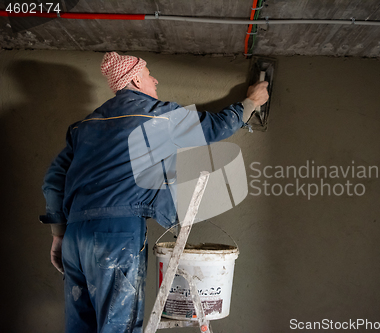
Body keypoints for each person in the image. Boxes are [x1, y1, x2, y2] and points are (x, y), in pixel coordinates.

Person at [40, 52, 269, 333]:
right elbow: (215, 127)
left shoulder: (83, 126)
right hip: (116, 235)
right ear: (136, 79)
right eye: (149, 74)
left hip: (75, 237)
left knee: (80, 326)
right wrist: (252, 102)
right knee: (118, 327)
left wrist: (58, 234)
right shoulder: (157, 115)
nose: (155, 79)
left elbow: (53, 179)